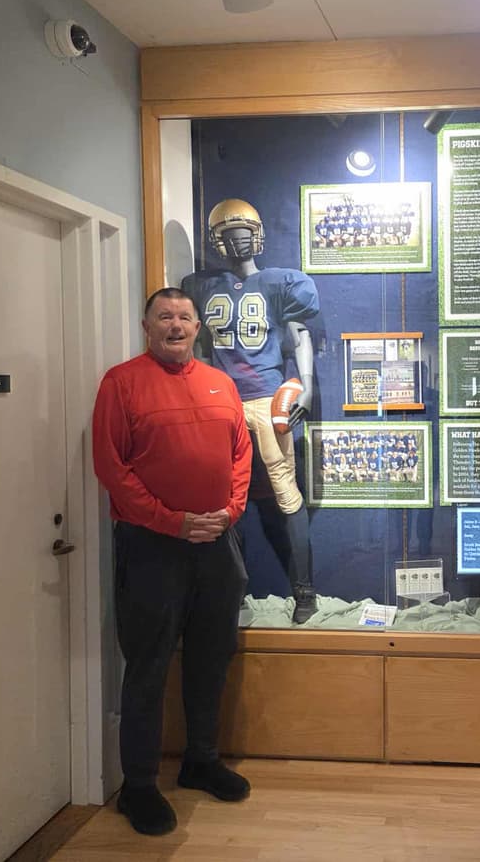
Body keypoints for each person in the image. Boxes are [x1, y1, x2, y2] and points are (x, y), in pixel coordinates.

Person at [93, 287, 253, 837]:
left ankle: (200, 760)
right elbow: (112, 468)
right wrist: (172, 521)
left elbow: (240, 454)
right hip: (151, 546)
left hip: (217, 542)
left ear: (198, 326)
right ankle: (138, 786)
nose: (176, 325)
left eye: (185, 316)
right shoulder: (121, 382)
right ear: (146, 325)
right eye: (165, 316)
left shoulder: (221, 383)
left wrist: (229, 512)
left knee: (212, 655)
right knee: (147, 667)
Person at [183, 198, 321, 625]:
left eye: (242, 231)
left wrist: (307, 387)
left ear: (257, 235)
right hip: (220, 401)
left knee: (285, 492)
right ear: (217, 241)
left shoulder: (282, 283)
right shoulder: (202, 286)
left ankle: (304, 592)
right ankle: (230, 590)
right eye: (228, 234)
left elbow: (299, 335)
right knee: (223, 497)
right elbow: (200, 349)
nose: (237, 240)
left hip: (265, 397)